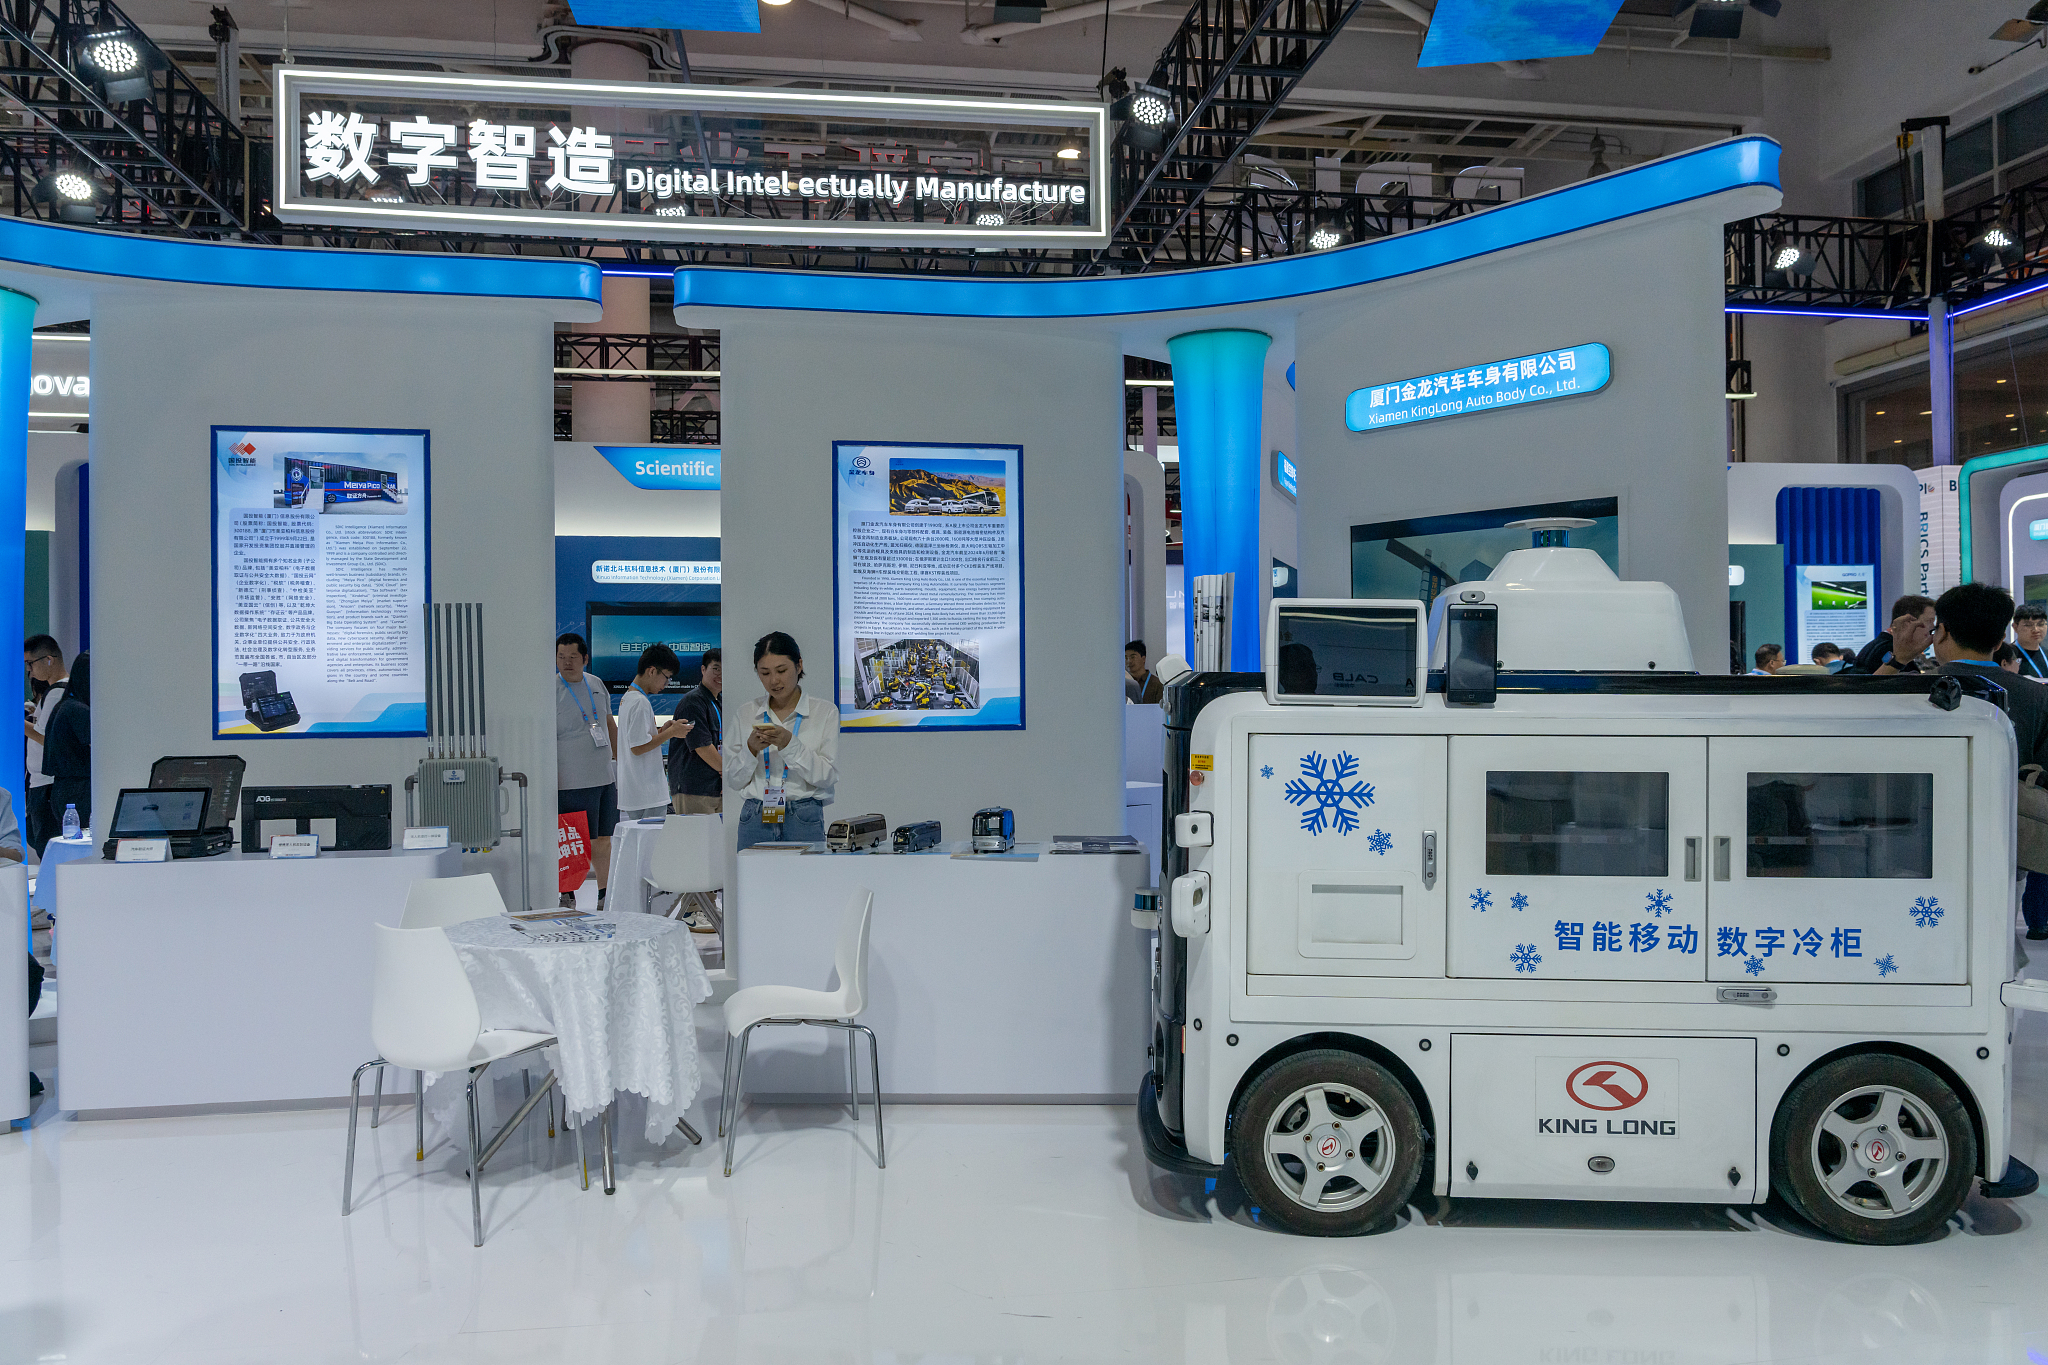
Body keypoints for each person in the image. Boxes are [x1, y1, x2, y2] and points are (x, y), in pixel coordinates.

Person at [1928, 584, 2048, 940]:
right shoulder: (2036, 696)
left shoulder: (1907, 689)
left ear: (1942, 631)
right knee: (1992, 937)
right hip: (2006, 839)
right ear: (2000, 640)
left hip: (1923, 838)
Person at [726, 631, 838, 851]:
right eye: (764, 673)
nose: (774, 681)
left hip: (803, 815)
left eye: (781, 670)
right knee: (752, 875)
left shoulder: (824, 712)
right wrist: (750, 749)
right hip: (755, 815)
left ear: (799, 665)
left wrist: (790, 745)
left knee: (804, 875)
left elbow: (827, 776)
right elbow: (734, 780)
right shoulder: (746, 713)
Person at [554, 633, 618, 907]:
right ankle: (567, 895)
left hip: (603, 777)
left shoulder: (596, 683)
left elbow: (608, 722)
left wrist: (619, 759)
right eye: (561, 657)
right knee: (573, 840)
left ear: (585, 659)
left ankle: (605, 894)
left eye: (573, 657)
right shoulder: (550, 690)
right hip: (571, 780)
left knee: (603, 838)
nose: (566, 662)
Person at [615, 644, 692, 821]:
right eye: (667, 677)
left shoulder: (628, 698)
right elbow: (638, 747)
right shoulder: (639, 702)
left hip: (637, 792)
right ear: (651, 671)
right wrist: (671, 732)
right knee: (651, 839)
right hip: (646, 793)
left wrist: (662, 730)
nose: (666, 684)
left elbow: (637, 738)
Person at [22, 635, 66, 855]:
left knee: (46, 845)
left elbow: (45, 737)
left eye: (30, 663)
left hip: (47, 784)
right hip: (44, 783)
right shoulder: (56, 692)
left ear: (49, 659)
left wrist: (14, 720)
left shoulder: (57, 693)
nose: (29, 671)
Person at [669, 647, 725, 815]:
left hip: (715, 788)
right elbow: (702, 746)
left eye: (725, 670)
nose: (720, 675)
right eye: (716, 669)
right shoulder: (693, 702)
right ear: (703, 669)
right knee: (696, 833)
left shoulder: (720, 701)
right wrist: (728, 772)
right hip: (694, 790)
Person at [39, 650, 88, 837]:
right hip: (79, 791)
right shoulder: (78, 710)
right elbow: (101, 752)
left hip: (63, 791)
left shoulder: (64, 705)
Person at [1849, 595, 1937, 675]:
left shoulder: (1875, 647)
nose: (1933, 627)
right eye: (1929, 621)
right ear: (1908, 621)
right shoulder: (1890, 651)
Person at [2014, 602, 2048, 680]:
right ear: (2015, 627)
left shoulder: (2046, 653)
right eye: (2028, 625)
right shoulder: (2007, 654)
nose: (2036, 630)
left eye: (2040, 624)